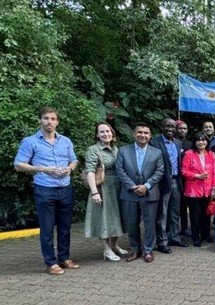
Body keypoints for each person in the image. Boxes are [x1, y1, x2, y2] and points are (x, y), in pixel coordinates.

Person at [14, 107, 79, 275]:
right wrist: (44, 169)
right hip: (44, 189)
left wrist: (70, 169)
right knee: (47, 227)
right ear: (40, 120)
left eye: (52, 118)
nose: (49, 121)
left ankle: (64, 259)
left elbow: (74, 160)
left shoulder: (65, 141)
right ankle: (50, 263)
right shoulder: (30, 141)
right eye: (46, 118)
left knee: (65, 226)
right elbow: (18, 164)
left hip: (65, 187)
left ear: (57, 121)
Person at [115, 123, 165, 263]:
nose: (142, 135)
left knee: (150, 224)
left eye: (146, 133)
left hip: (150, 193)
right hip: (129, 194)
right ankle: (135, 249)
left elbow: (159, 171)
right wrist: (133, 186)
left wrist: (146, 186)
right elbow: (120, 170)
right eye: (140, 132)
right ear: (134, 134)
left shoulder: (156, 152)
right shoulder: (123, 151)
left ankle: (148, 250)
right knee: (132, 224)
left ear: (149, 136)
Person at [83, 122, 126, 262]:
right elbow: (90, 172)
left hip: (117, 187)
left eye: (108, 131)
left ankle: (114, 245)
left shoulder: (115, 149)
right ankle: (107, 250)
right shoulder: (93, 149)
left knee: (116, 217)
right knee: (103, 218)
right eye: (102, 132)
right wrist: (94, 192)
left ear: (112, 133)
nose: (105, 134)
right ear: (97, 135)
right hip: (103, 188)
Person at [149, 118, 187, 253]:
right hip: (163, 183)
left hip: (177, 181)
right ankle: (162, 241)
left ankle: (174, 237)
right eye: (167, 126)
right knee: (162, 214)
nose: (170, 129)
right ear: (162, 127)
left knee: (175, 212)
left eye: (172, 127)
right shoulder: (154, 142)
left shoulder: (178, 143)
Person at [182, 132, 215, 246]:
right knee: (195, 216)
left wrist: (214, 188)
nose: (201, 142)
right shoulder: (189, 154)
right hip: (193, 191)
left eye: (203, 140)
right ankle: (195, 238)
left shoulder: (211, 154)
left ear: (207, 142)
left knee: (206, 215)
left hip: (208, 190)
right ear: (195, 142)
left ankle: (206, 236)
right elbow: (184, 171)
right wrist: (198, 176)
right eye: (198, 140)